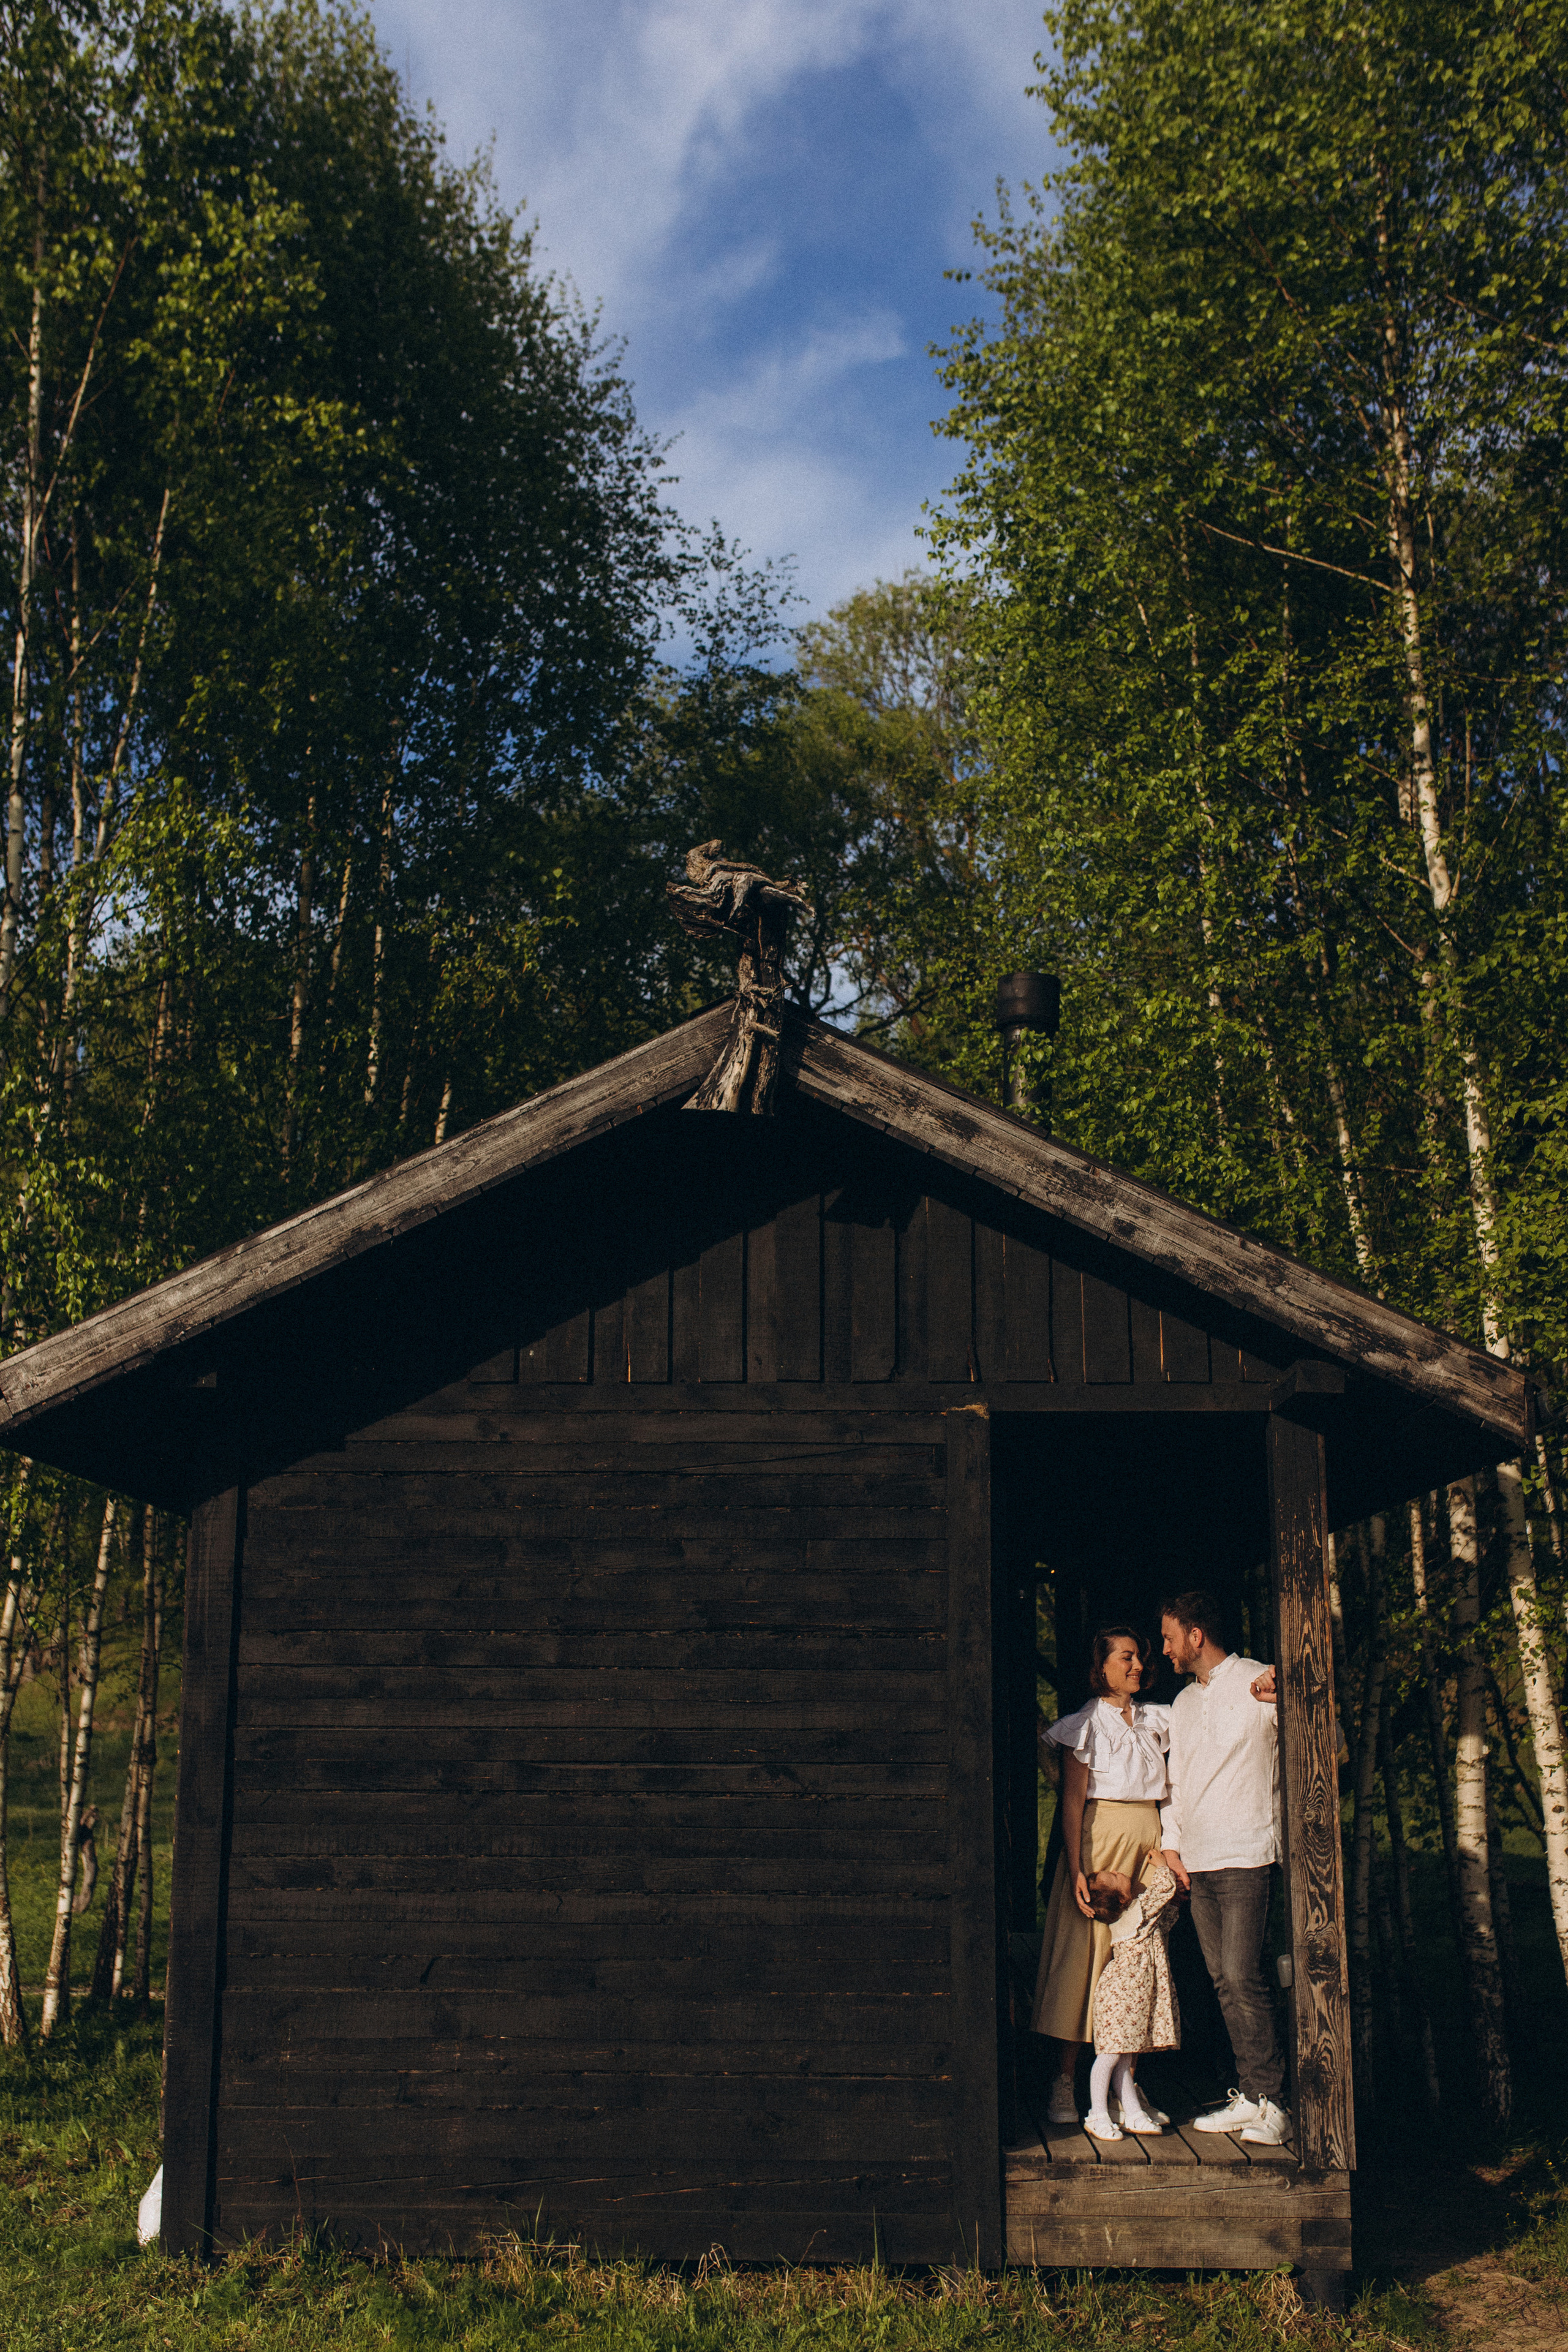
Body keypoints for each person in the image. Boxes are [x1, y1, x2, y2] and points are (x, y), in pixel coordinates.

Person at [1158, 1588, 1289, 2146]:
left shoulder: (1262, 1681)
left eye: (1169, 1638)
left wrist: (1291, 1699)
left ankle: (1275, 2104)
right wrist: (1172, 1846)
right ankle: (1252, 2097)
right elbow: (1177, 1783)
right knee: (1223, 1982)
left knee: (1242, 1977)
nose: (1165, 1649)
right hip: (1199, 1861)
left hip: (1247, 1853)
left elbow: (1328, 1743)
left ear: (1196, 1635)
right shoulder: (1184, 1704)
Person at [1031, 1626, 1173, 2125]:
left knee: (1138, 1964)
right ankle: (1066, 2082)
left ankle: (1125, 2087)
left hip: (1147, 1846)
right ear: (1103, 1666)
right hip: (1100, 1847)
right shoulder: (1085, 1724)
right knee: (1085, 1960)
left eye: (1140, 1658)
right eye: (1126, 1658)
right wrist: (1076, 1868)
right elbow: (1073, 1802)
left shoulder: (1158, 1719)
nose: (1138, 1666)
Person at [1081, 1853, 1183, 2142]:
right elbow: (1163, 1889)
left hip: (1133, 1993)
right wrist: (1162, 1866)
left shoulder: (1137, 1916)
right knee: (1109, 2056)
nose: (1118, 1870)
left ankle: (1134, 2112)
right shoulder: (1136, 1913)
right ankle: (1097, 2113)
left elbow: (1164, 1920)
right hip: (1122, 1994)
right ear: (1122, 1898)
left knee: (1124, 2056)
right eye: (1114, 1877)